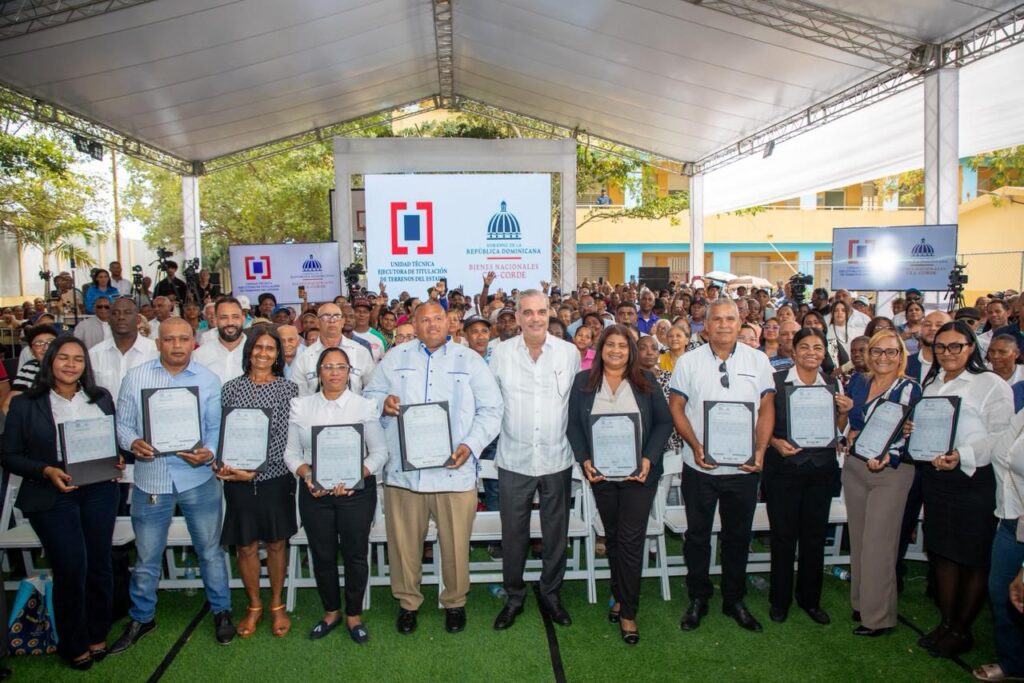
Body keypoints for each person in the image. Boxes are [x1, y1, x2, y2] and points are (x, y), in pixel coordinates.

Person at [363, 302, 502, 635]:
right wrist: (383, 403)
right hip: (405, 473)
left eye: (438, 318)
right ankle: (408, 603)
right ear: (414, 324)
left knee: (455, 544)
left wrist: (471, 445)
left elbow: (492, 409)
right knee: (404, 545)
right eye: (424, 320)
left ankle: (454, 602)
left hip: (454, 470)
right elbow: (369, 395)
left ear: (449, 323)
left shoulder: (469, 360)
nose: (432, 324)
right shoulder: (395, 357)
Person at [110, 318, 235, 652]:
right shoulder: (136, 377)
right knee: (147, 555)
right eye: (169, 339)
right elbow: (122, 425)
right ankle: (142, 617)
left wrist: (210, 451)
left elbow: (215, 426)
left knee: (210, 550)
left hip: (198, 478)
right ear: (157, 343)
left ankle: (222, 610)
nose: (177, 345)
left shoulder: (207, 379)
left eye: (183, 339)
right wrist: (133, 442)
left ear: (193, 342)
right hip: (152, 479)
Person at [0, 336, 124, 670]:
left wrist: (116, 459)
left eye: (78, 359)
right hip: (52, 492)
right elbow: (9, 455)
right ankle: (74, 642)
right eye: (63, 358)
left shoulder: (100, 398)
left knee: (99, 563)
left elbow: (111, 441)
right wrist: (45, 470)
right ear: (50, 360)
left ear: (86, 365)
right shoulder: (26, 403)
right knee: (71, 566)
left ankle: (97, 633)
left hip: (99, 490)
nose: (71, 365)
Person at [669, 298, 775, 633]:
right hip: (700, 466)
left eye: (731, 318)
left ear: (741, 322)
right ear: (706, 325)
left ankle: (734, 599)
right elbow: (676, 408)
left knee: (738, 536)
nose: (724, 325)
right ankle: (698, 597)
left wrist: (760, 450)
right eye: (717, 319)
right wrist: (695, 445)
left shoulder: (758, 360)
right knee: (697, 536)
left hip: (743, 470)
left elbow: (767, 408)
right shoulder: (689, 361)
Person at [568, 326, 672, 644]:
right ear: (600, 349)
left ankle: (628, 611)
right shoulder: (583, 382)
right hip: (602, 475)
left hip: (638, 476)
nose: (616, 350)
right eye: (610, 344)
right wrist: (585, 459)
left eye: (622, 346)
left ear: (631, 351)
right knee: (612, 537)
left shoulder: (646, 381)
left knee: (630, 539)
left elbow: (664, 422)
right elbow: (573, 425)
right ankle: (618, 593)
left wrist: (649, 458)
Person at [916, 321, 1013, 658]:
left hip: (974, 480)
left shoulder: (991, 384)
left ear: (971, 347)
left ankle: (962, 629)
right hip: (936, 478)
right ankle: (947, 622)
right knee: (942, 552)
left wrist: (962, 455)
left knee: (972, 556)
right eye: (941, 347)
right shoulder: (933, 382)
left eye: (955, 346)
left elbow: (1000, 438)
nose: (947, 353)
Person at [489, 290, 580, 630]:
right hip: (514, 459)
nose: (535, 318)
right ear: (517, 317)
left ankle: (551, 593)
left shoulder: (569, 353)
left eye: (541, 311)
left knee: (556, 533)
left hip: (557, 457)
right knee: (513, 535)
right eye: (527, 312)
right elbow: (492, 403)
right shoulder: (500, 354)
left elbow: (575, 404)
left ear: (549, 313)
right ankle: (514, 596)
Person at [282, 347, 385, 643]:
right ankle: (331, 612)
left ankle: (353, 615)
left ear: (349, 372)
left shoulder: (364, 406)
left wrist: (357, 475)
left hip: (356, 492)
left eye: (341, 367)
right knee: (322, 554)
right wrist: (307, 475)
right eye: (328, 367)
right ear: (319, 372)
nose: (335, 372)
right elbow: (291, 453)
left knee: (355, 554)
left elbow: (380, 452)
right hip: (315, 490)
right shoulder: (301, 406)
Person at [764, 328, 852, 625]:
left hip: (821, 470)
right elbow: (762, 422)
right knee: (783, 536)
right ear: (794, 350)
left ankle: (810, 599)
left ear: (824, 353)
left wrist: (844, 413)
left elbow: (837, 431)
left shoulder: (833, 383)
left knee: (814, 537)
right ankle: (779, 600)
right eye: (804, 346)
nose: (811, 353)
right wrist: (775, 442)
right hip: (783, 470)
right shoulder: (776, 381)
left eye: (817, 347)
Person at [215, 328, 299, 639]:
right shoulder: (230, 389)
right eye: (258, 347)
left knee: (276, 543)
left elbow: (287, 437)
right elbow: (223, 432)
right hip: (237, 479)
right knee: (246, 545)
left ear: (278, 355)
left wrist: (257, 468)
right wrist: (227, 464)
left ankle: (276, 604)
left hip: (275, 478)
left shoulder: (289, 389)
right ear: (248, 351)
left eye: (270, 348)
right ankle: (254, 605)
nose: (263, 353)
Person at [844, 330, 921, 636]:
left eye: (891, 352)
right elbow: (853, 423)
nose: (883, 358)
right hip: (855, 466)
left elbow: (909, 431)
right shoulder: (858, 381)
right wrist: (848, 431)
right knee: (859, 539)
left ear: (901, 356)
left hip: (890, 471)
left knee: (879, 544)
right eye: (877, 351)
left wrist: (891, 455)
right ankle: (862, 603)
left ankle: (879, 618)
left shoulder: (909, 388)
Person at [290, 303, 375, 396]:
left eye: (336, 316)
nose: (332, 320)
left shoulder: (361, 352)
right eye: (326, 316)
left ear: (342, 321)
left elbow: (372, 390)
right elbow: (299, 396)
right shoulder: (304, 357)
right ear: (318, 322)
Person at [88, 298, 158, 404]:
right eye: (115, 313)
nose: (121, 317)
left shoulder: (156, 352)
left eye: (127, 313)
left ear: (138, 319)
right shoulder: (94, 354)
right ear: (108, 319)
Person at [193, 297, 247, 385]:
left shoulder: (255, 352)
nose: (230, 322)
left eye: (235, 317)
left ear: (243, 318)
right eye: (224, 317)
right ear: (216, 320)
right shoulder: (199, 355)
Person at [4, 324, 58, 412]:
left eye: (50, 342)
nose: (46, 348)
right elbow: (9, 403)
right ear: (31, 351)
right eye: (39, 343)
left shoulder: (71, 367)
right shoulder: (29, 368)